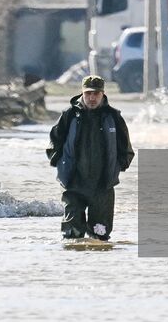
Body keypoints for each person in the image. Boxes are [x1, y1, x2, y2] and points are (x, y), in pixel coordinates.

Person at [47, 75, 134, 241]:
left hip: (103, 185)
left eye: (96, 93)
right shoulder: (69, 115)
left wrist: (117, 168)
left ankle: (97, 266)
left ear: (102, 94)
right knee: (72, 236)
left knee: (100, 237)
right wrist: (60, 164)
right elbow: (54, 143)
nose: (92, 98)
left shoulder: (113, 117)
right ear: (82, 93)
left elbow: (126, 149)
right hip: (74, 184)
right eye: (88, 93)